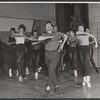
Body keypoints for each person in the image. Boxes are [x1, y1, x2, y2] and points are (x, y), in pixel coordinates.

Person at [38, 21, 67, 96]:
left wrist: (62, 45)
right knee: (52, 72)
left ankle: (47, 87)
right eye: (46, 25)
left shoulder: (56, 33)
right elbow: (39, 38)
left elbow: (66, 36)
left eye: (49, 25)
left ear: (52, 27)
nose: (47, 26)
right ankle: (56, 85)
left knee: (51, 70)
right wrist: (49, 37)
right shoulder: (44, 35)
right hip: (47, 55)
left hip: (55, 54)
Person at [76, 24, 98, 88]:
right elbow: (77, 33)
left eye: (81, 28)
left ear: (83, 28)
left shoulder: (87, 34)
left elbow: (93, 36)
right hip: (81, 49)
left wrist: (96, 43)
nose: (80, 29)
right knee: (82, 64)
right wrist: (86, 33)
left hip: (87, 48)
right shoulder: (77, 33)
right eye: (79, 28)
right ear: (78, 29)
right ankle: (84, 79)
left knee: (87, 63)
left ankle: (88, 80)